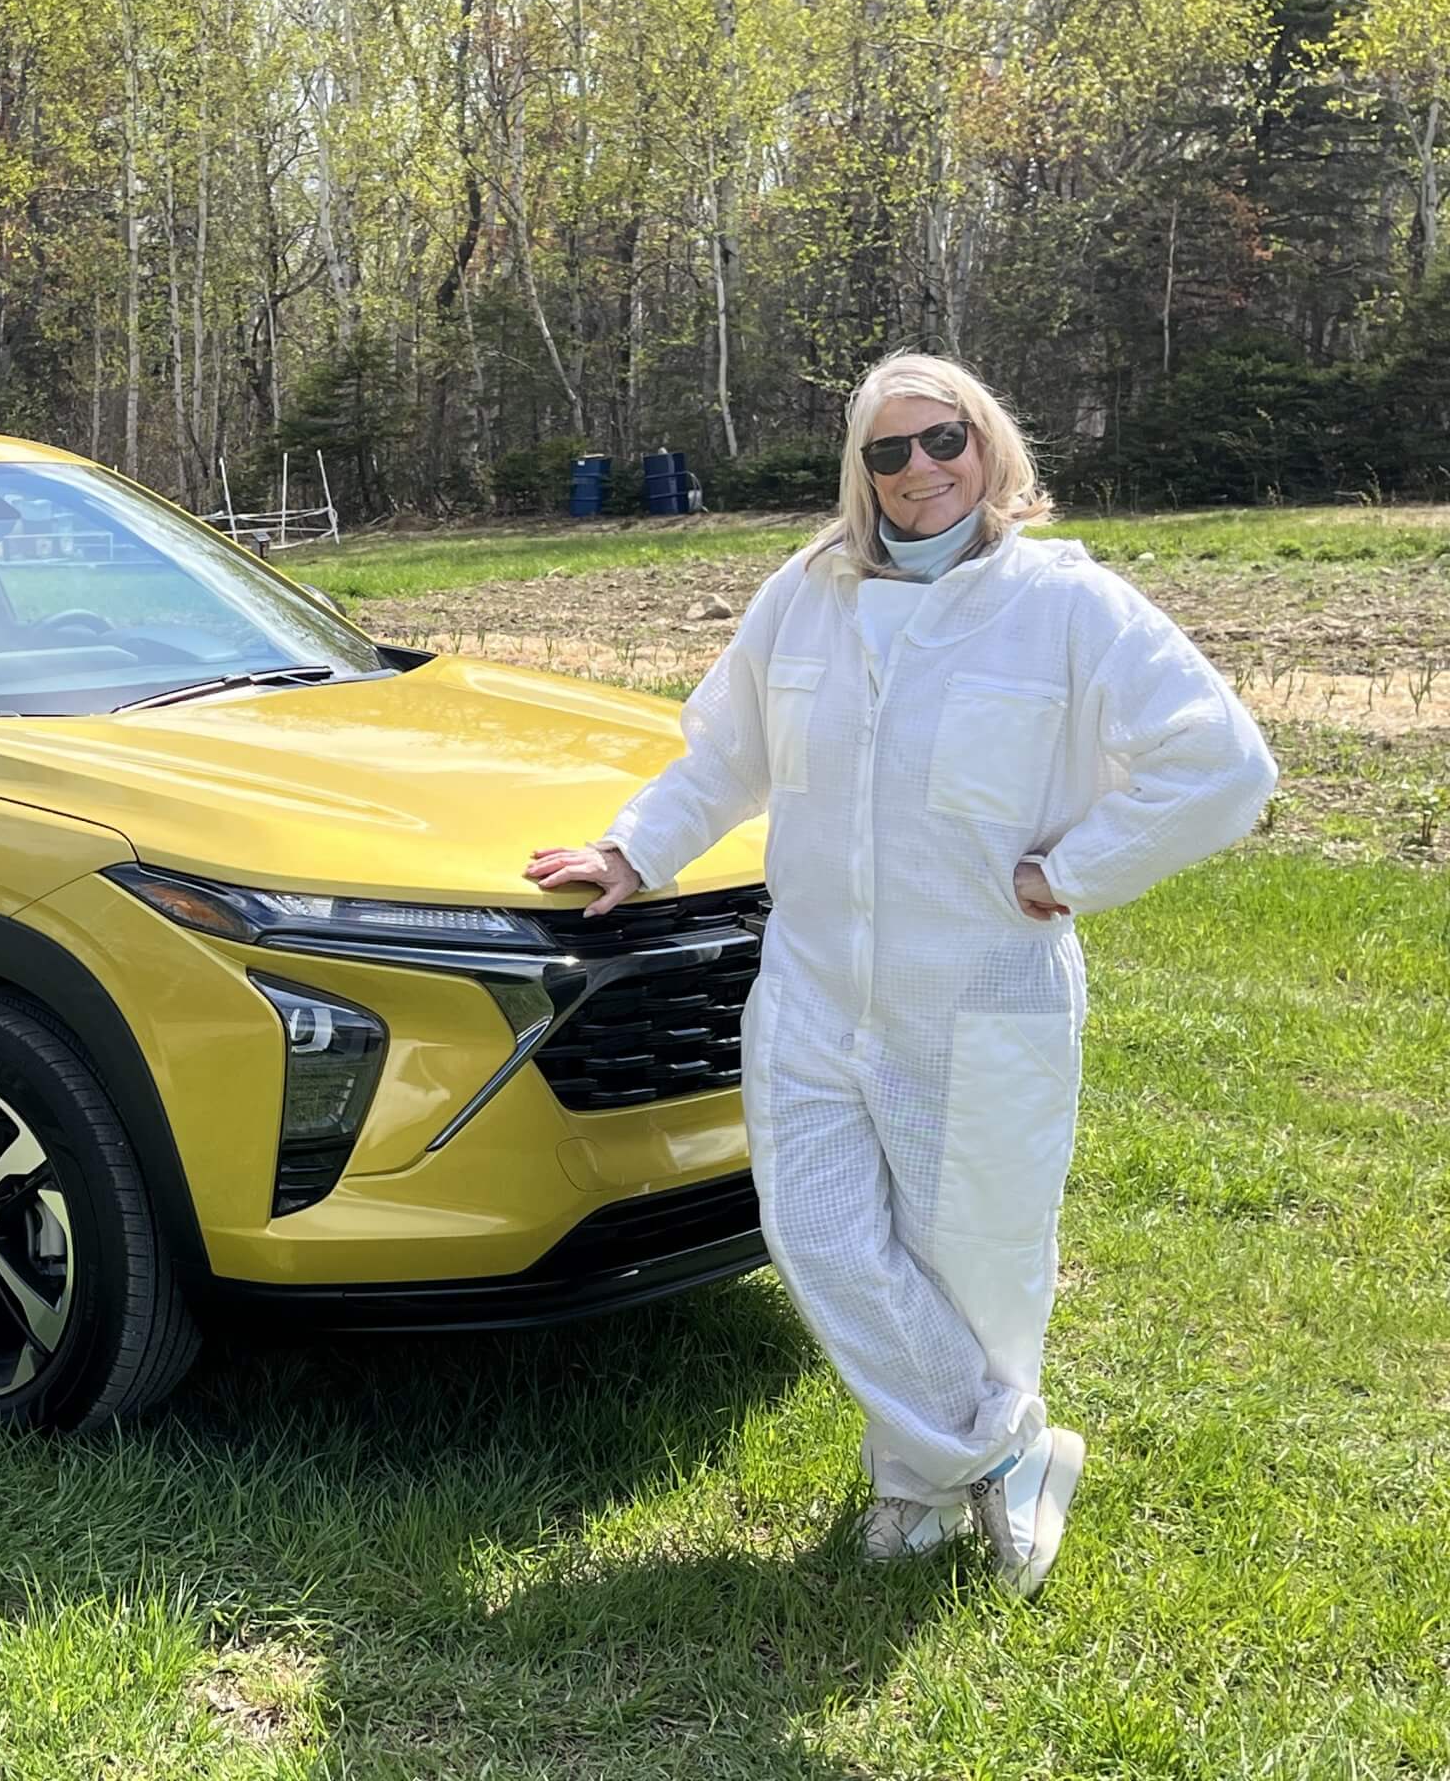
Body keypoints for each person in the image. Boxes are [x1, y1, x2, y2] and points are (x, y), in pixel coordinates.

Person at [523, 351, 1276, 1595]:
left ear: (988, 449)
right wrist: (632, 849)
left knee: (965, 1253)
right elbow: (723, 755)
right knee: (816, 1230)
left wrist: (1073, 868)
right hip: (813, 987)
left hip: (979, 991)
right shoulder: (805, 592)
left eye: (945, 441)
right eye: (890, 452)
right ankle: (1008, 1451)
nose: (921, 471)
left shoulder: (1065, 604)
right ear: (859, 473)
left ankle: (918, 1489)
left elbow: (1225, 767)